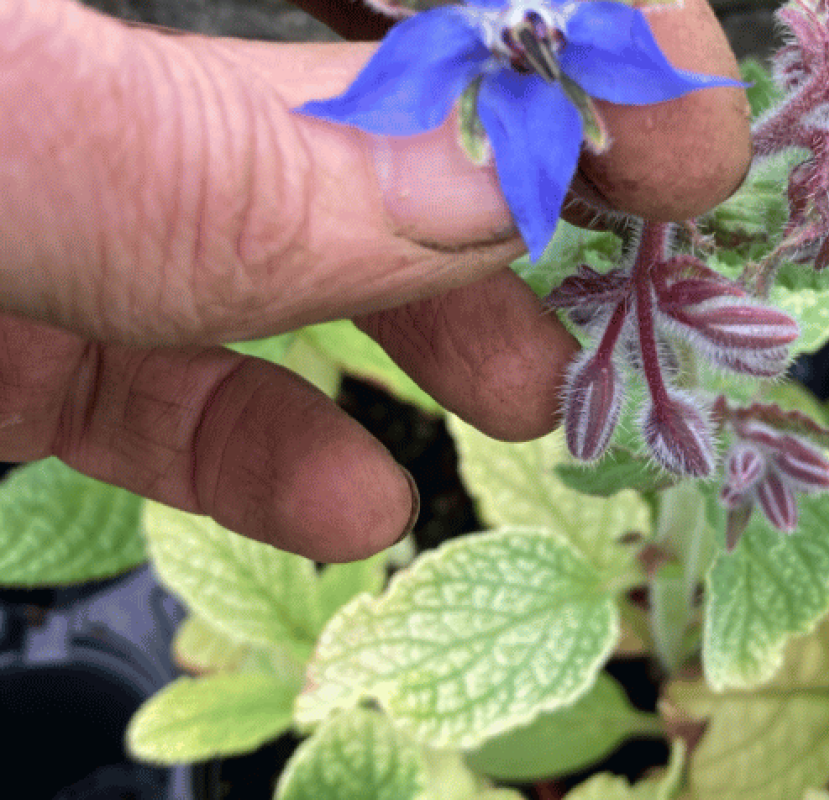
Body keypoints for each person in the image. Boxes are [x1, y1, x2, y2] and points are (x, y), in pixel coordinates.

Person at [0, 0, 750, 561]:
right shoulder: (453, 48)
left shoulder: (570, 42)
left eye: (540, 33)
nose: (533, 40)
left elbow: (659, 76)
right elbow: (376, 106)